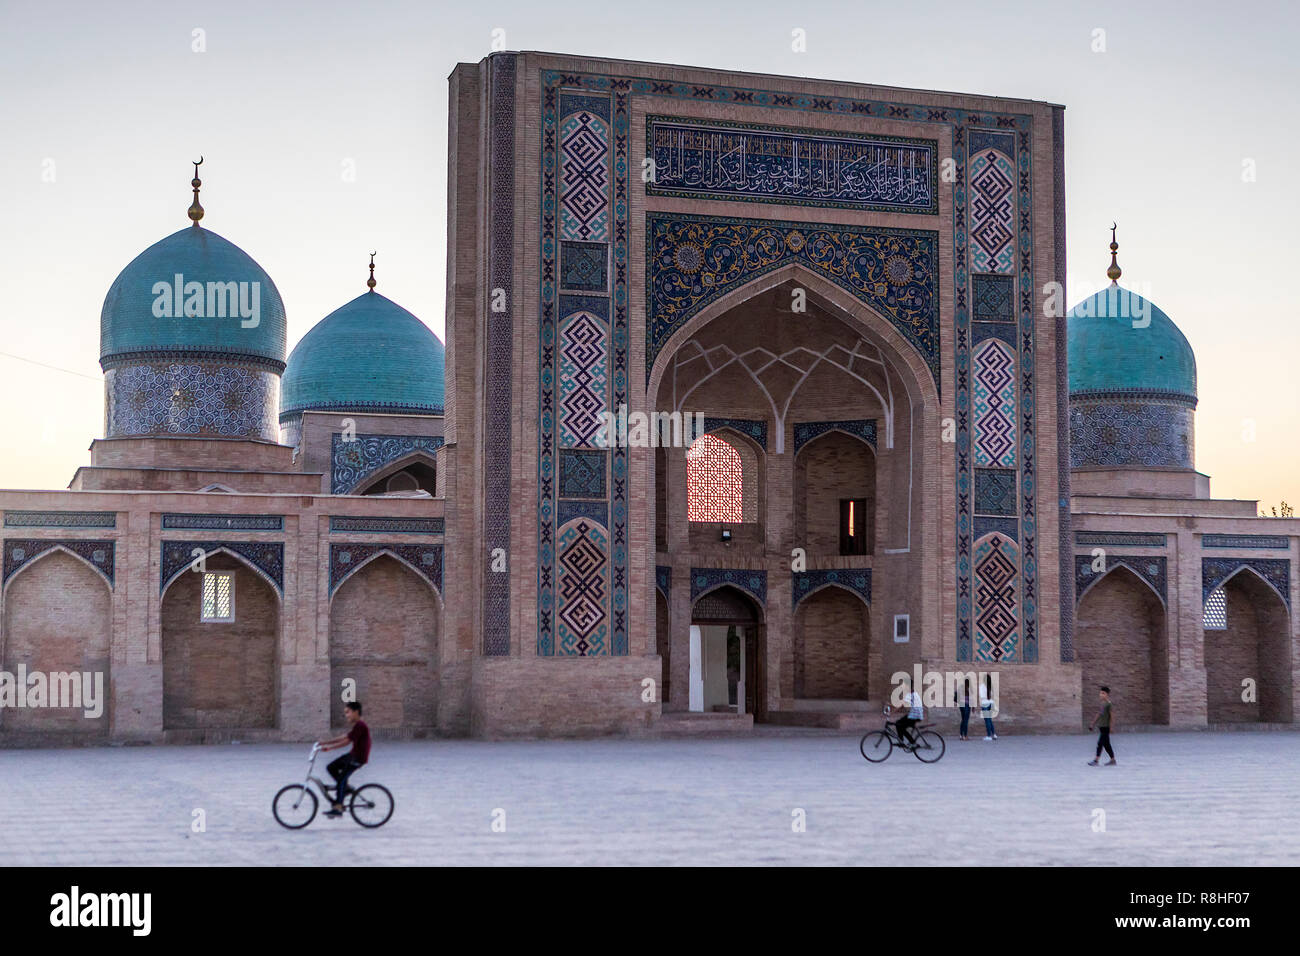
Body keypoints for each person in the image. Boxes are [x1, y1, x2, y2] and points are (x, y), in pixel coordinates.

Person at [318, 701, 371, 817]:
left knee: (341, 779)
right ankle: (344, 789)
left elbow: (347, 742)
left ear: (356, 712)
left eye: (348, 712)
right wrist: (324, 742)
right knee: (331, 767)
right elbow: (345, 737)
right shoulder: (358, 725)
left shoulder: (361, 725)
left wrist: (329, 748)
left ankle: (338, 807)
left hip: (358, 759)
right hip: (352, 755)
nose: (346, 715)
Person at [1087, 686, 1116, 766]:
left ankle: (1096, 760)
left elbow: (1112, 716)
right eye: (1100, 693)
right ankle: (1113, 760)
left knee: (1100, 743)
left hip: (1106, 727)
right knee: (1106, 744)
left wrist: (1111, 727)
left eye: (1103, 693)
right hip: (1101, 727)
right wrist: (1092, 723)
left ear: (1107, 694)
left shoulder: (1109, 704)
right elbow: (1099, 714)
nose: (1101, 695)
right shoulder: (1102, 704)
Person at [896, 680, 923, 749]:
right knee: (898, 723)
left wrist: (893, 711)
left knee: (900, 726)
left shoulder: (911, 694)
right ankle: (901, 741)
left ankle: (912, 743)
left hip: (915, 715)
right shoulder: (912, 693)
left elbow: (903, 706)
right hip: (914, 714)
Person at [980, 675, 998, 740]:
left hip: (985, 704)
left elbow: (982, 696)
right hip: (991, 704)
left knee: (987, 721)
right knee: (990, 720)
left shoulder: (982, 686)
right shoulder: (991, 686)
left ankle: (988, 736)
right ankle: (994, 734)